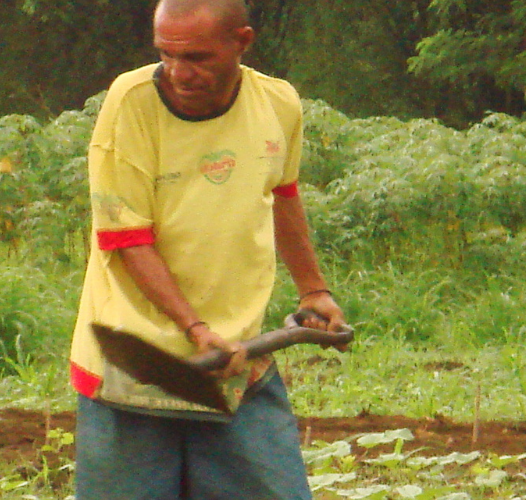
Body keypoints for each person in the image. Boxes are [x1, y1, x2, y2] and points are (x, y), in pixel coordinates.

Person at [67, 0, 345, 498]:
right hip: (136, 367)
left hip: (238, 363)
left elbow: (283, 196)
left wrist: (312, 290)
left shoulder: (277, 104)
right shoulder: (130, 102)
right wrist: (196, 330)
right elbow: (127, 238)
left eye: (197, 57)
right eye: (166, 55)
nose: (178, 73)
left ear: (242, 41)